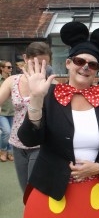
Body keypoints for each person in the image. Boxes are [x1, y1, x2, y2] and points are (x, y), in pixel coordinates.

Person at [17, 21, 99, 218]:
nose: (85, 67)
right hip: (52, 189)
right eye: (79, 61)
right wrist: (36, 100)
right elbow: (29, 140)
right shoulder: (48, 95)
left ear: (97, 69)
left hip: (98, 188)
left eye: (92, 64)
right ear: (68, 63)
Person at [0, 42, 52, 192]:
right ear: (25, 58)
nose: (39, 67)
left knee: (34, 189)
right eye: (34, 62)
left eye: (44, 64)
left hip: (40, 145)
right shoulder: (13, 81)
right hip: (17, 143)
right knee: (25, 190)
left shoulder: (50, 84)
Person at [0, 60, 14, 162]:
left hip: (13, 111)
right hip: (2, 112)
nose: (11, 69)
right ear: (2, 68)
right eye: (8, 67)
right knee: (6, 131)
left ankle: (10, 152)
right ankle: (3, 151)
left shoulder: (13, 80)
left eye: (11, 67)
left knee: (12, 133)